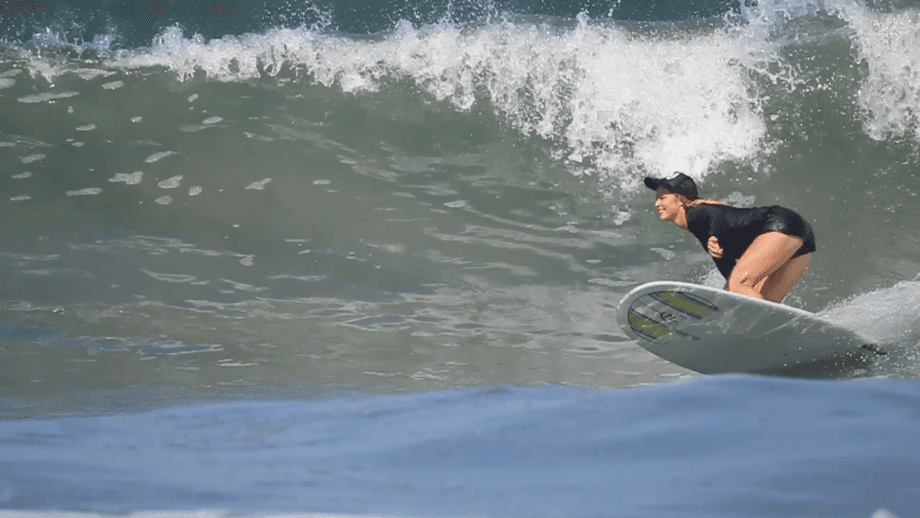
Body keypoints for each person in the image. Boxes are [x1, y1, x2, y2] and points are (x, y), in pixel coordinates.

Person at [644, 172, 816, 303]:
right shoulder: (701, 220)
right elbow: (728, 270)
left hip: (779, 224)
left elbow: (715, 217)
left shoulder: (696, 214)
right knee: (757, 300)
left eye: (663, 198)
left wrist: (715, 234)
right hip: (801, 236)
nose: (657, 203)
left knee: (739, 284)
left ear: (681, 199)